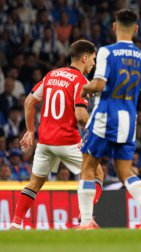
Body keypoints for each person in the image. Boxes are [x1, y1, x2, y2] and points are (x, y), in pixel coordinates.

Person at [77, 9, 141, 230]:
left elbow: (99, 84)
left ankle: (86, 221)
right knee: (124, 171)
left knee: (87, 165)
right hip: (129, 118)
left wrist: (83, 89)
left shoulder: (106, 52)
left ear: (114, 26)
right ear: (136, 29)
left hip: (106, 114)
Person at [10, 40, 104, 230]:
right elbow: (80, 116)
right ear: (84, 58)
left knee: (35, 183)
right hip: (67, 140)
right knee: (96, 172)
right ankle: (85, 217)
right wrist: (94, 131)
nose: (93, 64)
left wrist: (30, 131)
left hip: (44, 141)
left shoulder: (51, 75)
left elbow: (29, 102)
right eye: (93, 59)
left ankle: (16, 223)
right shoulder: (81, 82)